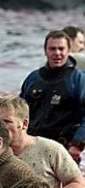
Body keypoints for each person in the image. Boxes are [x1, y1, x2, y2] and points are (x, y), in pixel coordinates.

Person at [0, 95, 85, 188]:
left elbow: (80, 187)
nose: (0, 128)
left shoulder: (50, 149)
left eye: (7, 122)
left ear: (24, 124)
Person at [20, 30, 85, 161]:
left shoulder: (78, 80)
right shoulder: (33, 79)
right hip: (32, 146)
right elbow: (18, 113)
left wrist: (78, 144)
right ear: (45, 51)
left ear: (69, 50)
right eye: (52, 49)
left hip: (65, 149)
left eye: (61, 49)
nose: (57, 53)